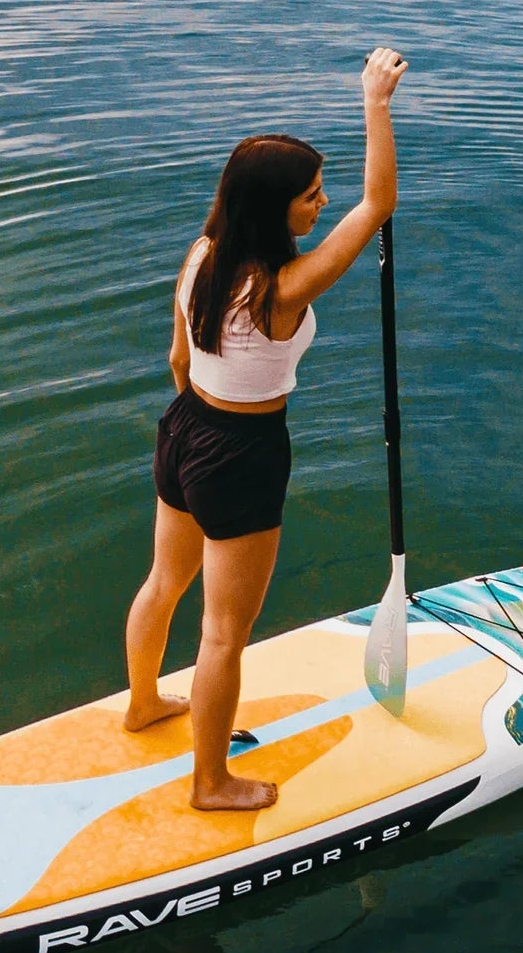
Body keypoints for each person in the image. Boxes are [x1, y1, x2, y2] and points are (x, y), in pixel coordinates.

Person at [124, 46, 409, 811]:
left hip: (183, 429)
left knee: (164, 583)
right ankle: (210, 782)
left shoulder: (202, 255)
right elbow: (376, 206)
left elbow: (177, 357)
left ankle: (144, 704)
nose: (323, 204)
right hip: (242, 453)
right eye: (312, 196)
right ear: (273, 208)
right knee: (223, 632)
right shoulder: (280, 288)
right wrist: (373, 102)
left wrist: (202, 419)